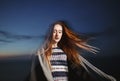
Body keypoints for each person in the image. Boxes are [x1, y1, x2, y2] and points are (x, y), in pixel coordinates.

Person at [26, 20, 116, 81]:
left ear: (62, 34)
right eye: (54, 31)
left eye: (60, 32)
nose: (57, 34)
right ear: (51, 33)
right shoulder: (45, 53)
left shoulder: (66, 51)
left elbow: (79, 71)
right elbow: (36, 73)